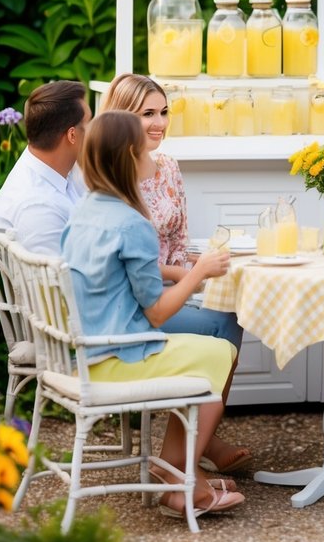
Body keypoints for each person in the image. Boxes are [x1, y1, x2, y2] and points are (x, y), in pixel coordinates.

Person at [61, 110, 245, 517]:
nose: (154, 157)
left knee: (207, 347)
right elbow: (158, 313)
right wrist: (198, 271)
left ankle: (176, 473)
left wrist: (186, 275)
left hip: (84, 350)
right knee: (219, 352)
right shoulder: (133, 224)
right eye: (146, 150)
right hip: (115, 356)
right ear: (130, 156)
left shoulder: (86, 211)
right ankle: (181, 484)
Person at [101, 73, 249, 475]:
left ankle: (197, 441)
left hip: (174, 284)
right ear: (121, 117)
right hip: (136, 299)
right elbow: (130, 266)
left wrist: (195, 275)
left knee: (230, 314)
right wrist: (192, 276)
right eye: (147, 113)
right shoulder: (110, 178)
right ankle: (183, 460)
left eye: (164, 112)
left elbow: (181, 239)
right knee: (223, 330)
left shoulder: (167, 166)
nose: (160, 123)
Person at [0, 79, 91, 254]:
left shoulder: (44, 166)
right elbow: (62, 280)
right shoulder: (40, 210)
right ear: (72, 134)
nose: (95, 130)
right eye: (90, 122)